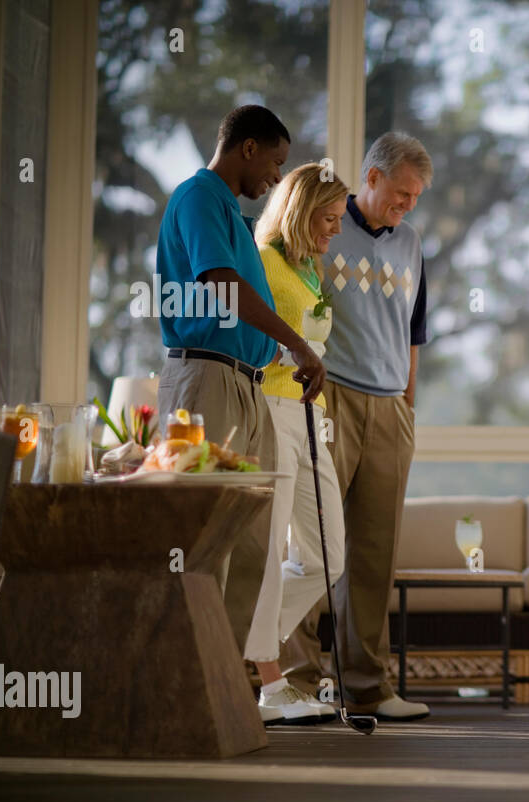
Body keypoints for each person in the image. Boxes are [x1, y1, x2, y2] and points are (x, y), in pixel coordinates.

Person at [155, 105, 325, 656]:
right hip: (206, 379)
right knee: (201, 541)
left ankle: (221, 685)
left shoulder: (232, 214)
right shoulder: (200, 195)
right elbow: (221, 284)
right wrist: (297, 342)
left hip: (247, 385)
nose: (277, 176)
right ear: (247, 148)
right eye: (276, 162)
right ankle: (184, 683)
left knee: (253, 543)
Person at [280, 133, 432, 721]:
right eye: (400, 192)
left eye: (416, 196)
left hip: (390, 405)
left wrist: (408, 405)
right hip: (327, 398)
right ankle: (294, 683)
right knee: (314, 544)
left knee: (374, 554)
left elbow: (414, 336)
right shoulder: (321, 224)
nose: (407, 205)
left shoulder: (414, 243)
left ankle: (368, 688)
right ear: (369, 177)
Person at [241, 163, 349, 725]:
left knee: (326, 554)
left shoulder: (309, 272)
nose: (334, 230)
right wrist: (293, 355)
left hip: (313, 419)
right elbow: (245, 335)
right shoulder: (262, 261)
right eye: (327, 219)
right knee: (268, 548)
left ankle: (234, 632)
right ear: (300, 211)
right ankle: (270, 681)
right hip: (273, 412)